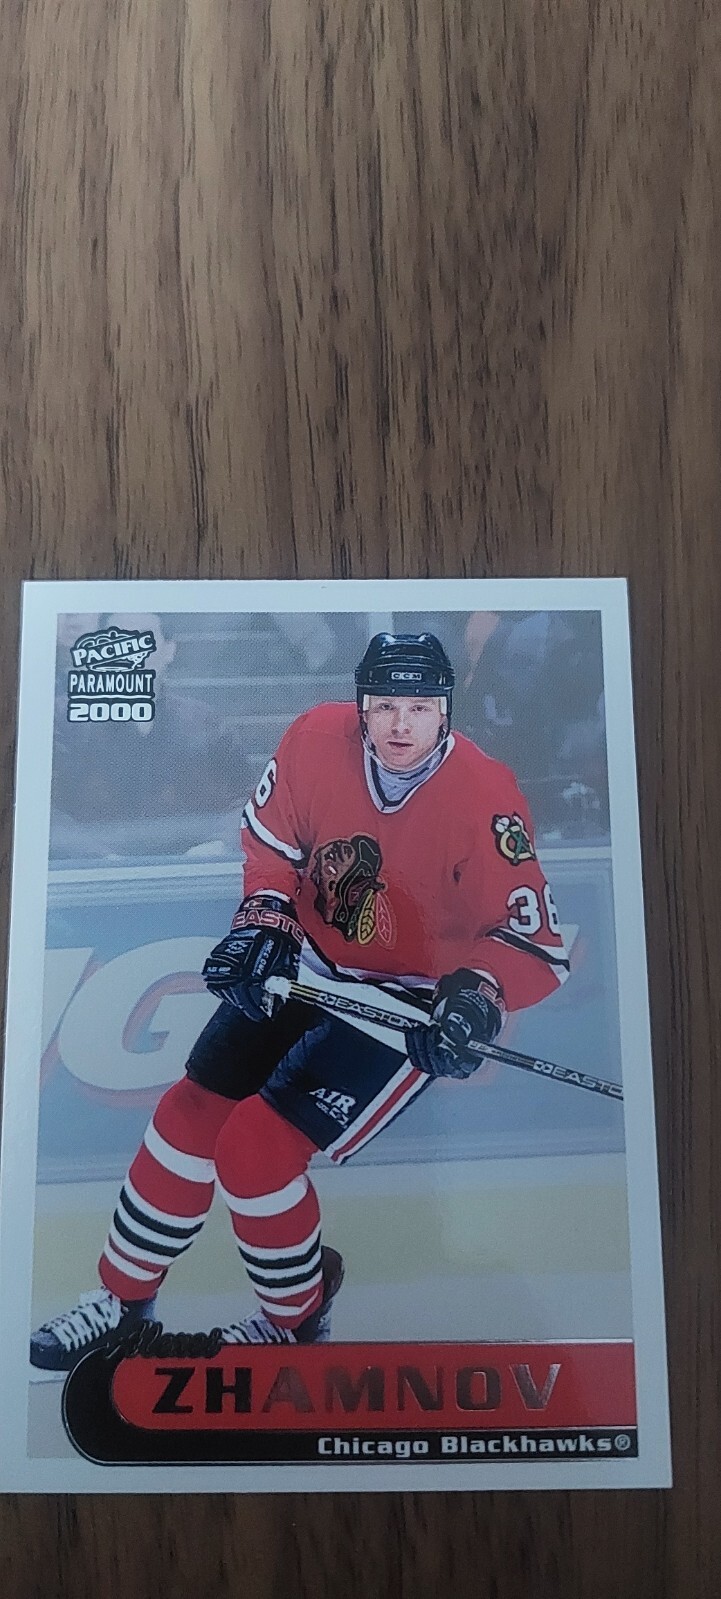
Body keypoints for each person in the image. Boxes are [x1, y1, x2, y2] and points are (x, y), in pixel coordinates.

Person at [31, 633, 570, 1370]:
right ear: (361, 704)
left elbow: (532, 940)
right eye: (385, 705)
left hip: (404, 1002)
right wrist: (266, 920)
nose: (400, 724)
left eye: (419, 707)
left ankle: (295, 1321)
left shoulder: (485, 795)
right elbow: (273, 848)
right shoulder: (315, 738)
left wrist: (475, 998)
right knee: (187, 1115)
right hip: (308, 964)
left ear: (445, 710)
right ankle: (122, 1303)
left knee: (255, 1151)